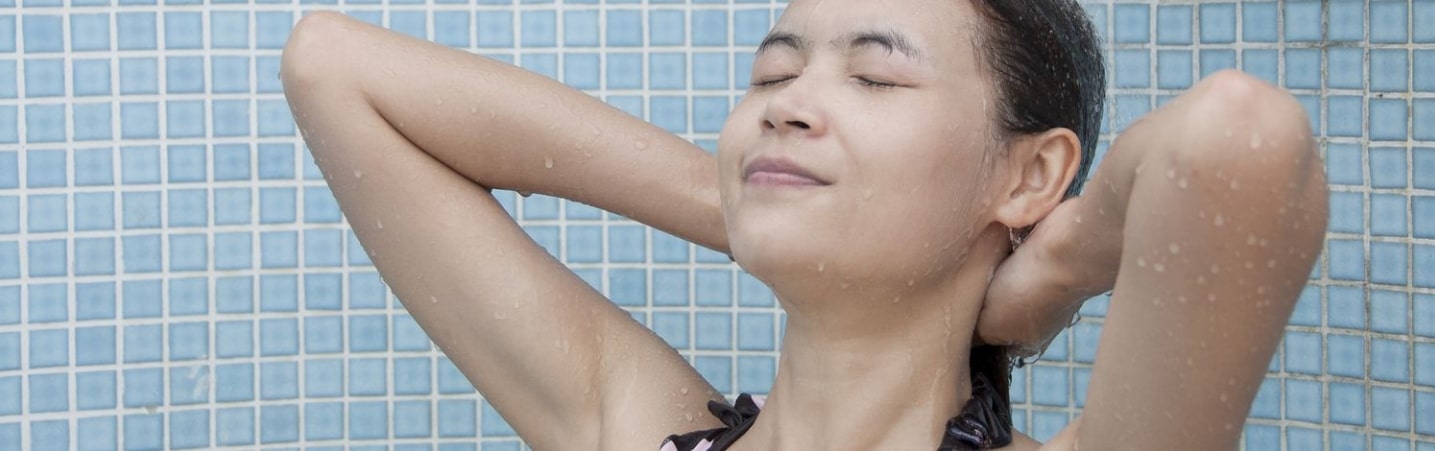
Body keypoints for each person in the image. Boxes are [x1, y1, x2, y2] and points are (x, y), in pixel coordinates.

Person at [279, 0, 1328, 449]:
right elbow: (330, 65)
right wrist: (731, 201)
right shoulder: (631, 425)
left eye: (874, 76)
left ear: (1032, 173)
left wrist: (1047, 274)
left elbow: (1241, 139)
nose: (788, 104)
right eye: (773, 74)